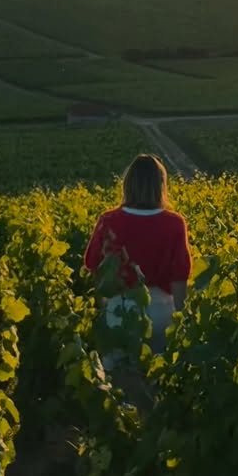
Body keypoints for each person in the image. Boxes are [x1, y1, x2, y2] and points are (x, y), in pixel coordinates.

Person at [84, 153, 192, 357]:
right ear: (161, 185)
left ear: (128, 184)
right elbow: (180, 278)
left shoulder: (108, 220)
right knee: (155, 377)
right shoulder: (174, 223)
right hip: (160, 310)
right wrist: (183, 319)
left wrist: (105, 309)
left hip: (119, 308)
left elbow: (94, 268)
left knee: (118, 378)